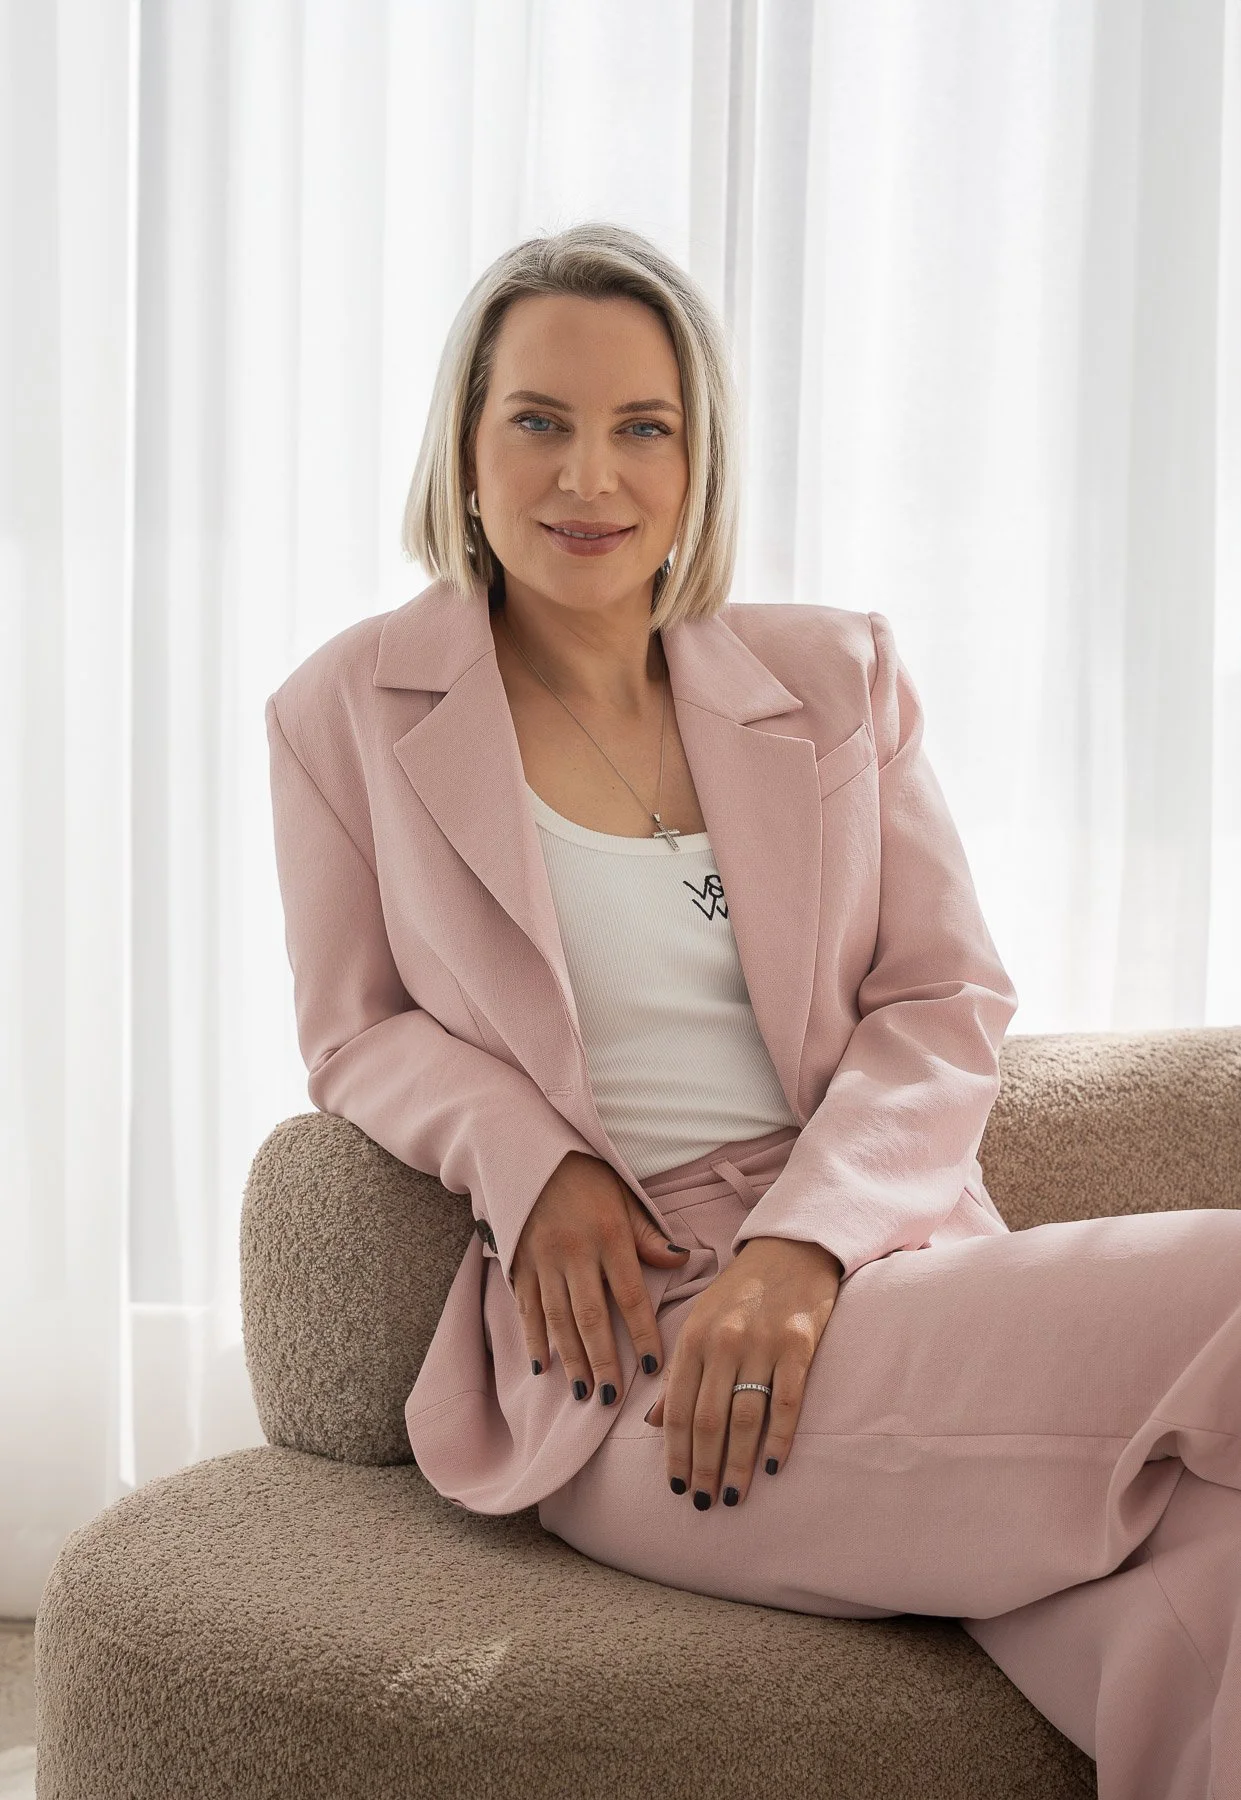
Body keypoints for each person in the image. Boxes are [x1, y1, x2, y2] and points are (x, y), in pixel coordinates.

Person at [266, 221, 1241, 1798]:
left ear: (700, 455)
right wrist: (531, 1159)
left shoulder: (838, 677)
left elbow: (946, 991)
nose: (592, 477)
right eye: (541, 421)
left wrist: (807, 1244)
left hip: (877, 1272)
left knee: (1217, 1588)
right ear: (463, 445)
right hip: (636, 1355)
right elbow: (355, 1029)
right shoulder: (345, 711)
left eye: (644, 427)